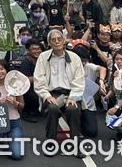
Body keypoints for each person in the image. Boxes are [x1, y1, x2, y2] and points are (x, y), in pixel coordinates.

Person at [33, 29, 85, 157]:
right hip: (51, 93)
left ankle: (76, 144)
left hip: (70, 93)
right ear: (49, 43)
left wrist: (73, 96)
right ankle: (50, 143)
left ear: (64, 41)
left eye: (59, 39)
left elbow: (79, 81)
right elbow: (38, 80)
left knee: (73, 110)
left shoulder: (74, 57)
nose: (57, 42)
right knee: (52, 108)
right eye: (53, 40)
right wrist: (47, 96)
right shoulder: (43, 57)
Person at [0, 60, 25, 160]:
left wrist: (15, 103)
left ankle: (16, 137)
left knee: (17, 156)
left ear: (6, 70)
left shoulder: (16, 85)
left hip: (14, 122)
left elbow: (22, 106)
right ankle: (1, 140)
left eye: (2, 69)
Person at [18, 39, 43, 120]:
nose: (37, 51)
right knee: (34, 95)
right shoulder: (26, 62)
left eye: (38, 49)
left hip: (39, 86)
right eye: (34, 49)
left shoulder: (42, 60)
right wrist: (40, 77)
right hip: (28, 89)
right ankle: (26, 112)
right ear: (28, 51)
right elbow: (25, 80)